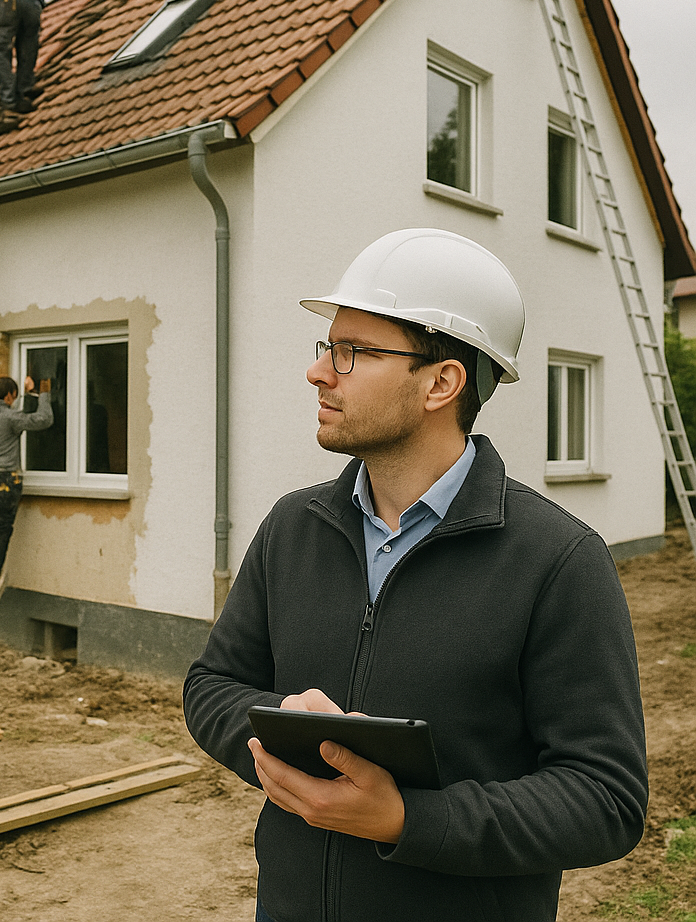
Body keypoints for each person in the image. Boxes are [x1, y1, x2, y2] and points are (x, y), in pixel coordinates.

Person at [183, 228, 647, 922]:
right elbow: (211, 685)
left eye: (353, 353)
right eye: (327, 348)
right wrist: (278, 730)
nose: (319, 373)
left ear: (442, 382)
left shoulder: (558, 561)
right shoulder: (293, 527)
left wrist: (406, 819)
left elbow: (605, 798)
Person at [0, 374, 53, 587]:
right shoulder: (9, 418)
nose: (14, 402)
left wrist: (26, 394)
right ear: (8, 396)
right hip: (2, 479)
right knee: (0, 527)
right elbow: (43, 420)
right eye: (13, 398)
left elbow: (13, 415)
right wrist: (42, 394)